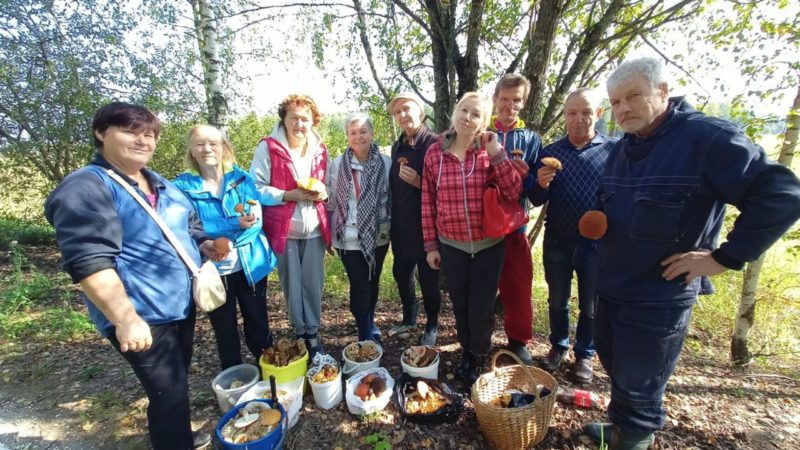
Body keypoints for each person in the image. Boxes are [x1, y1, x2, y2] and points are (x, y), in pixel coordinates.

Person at [582, 58, 800, 449]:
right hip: (612, 285)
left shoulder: (707, 138)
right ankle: (621, 426)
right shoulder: (624, 147)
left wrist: (723, 258)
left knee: (639, 383)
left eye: (634, 96)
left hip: (657, 296)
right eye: (615, 102)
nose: (623, 108)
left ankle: (632, 438)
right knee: (617, 368)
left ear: (663, 92)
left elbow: (782, 196)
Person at [44, 102, 215, 450]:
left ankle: (179, 436)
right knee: (167, 390)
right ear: (100, 133)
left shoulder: (160, 184)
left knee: (175, 380)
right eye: (131, 132)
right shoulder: (87, 187)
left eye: (150, 134)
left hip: (178, 305)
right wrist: (125, 317)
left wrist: (208, 244)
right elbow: (89, 260)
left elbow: (189, 225)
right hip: (142, 313)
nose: (143, 141)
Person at [421, 92, 522, 386]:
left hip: (489, 245)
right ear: (454, 113)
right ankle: (467, 349)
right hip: (452, 245)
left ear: (484, 121)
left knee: (481, 307)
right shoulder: (435, 153)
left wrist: (497, 154)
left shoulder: (488, 151)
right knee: (461, 304)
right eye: (464, 110)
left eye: (476, 114)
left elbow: (514, 192)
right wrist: (430, 245)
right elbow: (427, 202)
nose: (468, 117)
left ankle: (478, 355)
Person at [530, 88, 616, 383]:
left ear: (599, 114)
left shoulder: (614, 151)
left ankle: (585, 354)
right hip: (558, 239)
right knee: (557, 300)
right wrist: (540, 184)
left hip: (598, 244)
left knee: (591, 303)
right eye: (572, 113)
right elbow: (537, 199)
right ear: (565, 115)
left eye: (586, 112)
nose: (579, 119)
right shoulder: (550, 153)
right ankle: (558, 346)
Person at [174, 125, 277, 370]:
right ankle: (235, 378)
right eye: (200, 144)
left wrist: (226, 240)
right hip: (213, 271)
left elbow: (255, 221)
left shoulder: (242, 179)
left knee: (259, 324)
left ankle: (270, 373)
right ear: (192, 150)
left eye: (213, 143)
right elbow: (187, 227)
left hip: (251, 264)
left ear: (224, 148)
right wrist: (230, 226)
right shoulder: (181, 187)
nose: (207, 149)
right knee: (224, 329)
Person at [250, 94, 330, 358]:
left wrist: (323, 192)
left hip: (315, 229)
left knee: (313, 283)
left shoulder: (320, 149)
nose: (299, 124)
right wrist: (287, 195)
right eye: (293, 118)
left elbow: (327, 184)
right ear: (283, 119)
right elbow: (256, 188)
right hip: (285, 230)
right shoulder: (269, 148)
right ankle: (300, 332)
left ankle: (313, 332)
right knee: (292, 284)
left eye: (305, 119)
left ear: (313, 122)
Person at [488, 73, 542, 365]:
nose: (509, 106)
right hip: (482, 224)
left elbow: (536, 188)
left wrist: (528, 176)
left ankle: (518, 341)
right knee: (481, 285)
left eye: (516, 101)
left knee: (518, 284)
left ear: (523, 102)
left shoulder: (531, 139)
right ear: (495, 99)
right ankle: (478, 335)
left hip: (515, 225)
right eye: (504, 99)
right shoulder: (480, 132)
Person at [327, 113, 392, 345]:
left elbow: (391, 198)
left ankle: (370, 320)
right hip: (348, 237)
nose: (358, 136)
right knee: (359, 285)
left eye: (363, 131)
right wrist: (327, 233)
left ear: (372, 134)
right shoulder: (337, 165)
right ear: (347, 136)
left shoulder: (386, 163)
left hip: (379, 236)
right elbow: (331, 201)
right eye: (353, 132)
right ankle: (364, 333)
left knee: (372, 283)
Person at [386, 92, 442, 345]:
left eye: (406, 109)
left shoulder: (434, 143)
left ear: (420, 111)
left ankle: (432, 324)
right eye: (397, 112)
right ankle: (409, 316)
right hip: (401, 224)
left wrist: (419, 182)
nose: (402, 115)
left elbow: (446, 186)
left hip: (427, 225)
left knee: (429, 278)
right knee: (401, 272)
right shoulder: (398, 145)